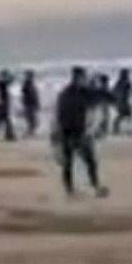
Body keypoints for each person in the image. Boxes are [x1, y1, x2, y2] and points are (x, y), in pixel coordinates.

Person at [53, 66, 111, 197]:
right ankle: (87, 188)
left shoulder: (67, 93)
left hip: (71, 133)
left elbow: (102, 96)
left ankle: (76, 189)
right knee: (82, 162)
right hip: (73, 133)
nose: (83, 80)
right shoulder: (77, 94)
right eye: (83, 78)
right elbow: (101, 97)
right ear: (78, 78)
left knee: (76, 163)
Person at [111, 68, 132, 135]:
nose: (128, 75)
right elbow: (131, 90)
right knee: (128, 114)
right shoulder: (127, 82)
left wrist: (112, 99)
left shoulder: (119, 82)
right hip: (123, 102)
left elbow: (113, 90)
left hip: (119, 102)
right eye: (127, 74)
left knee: (123, 114)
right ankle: (117, 127)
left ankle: (116, 127)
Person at [20, 69, 41, 137]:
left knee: (32, 120)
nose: (32, 77)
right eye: (31, 75)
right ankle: (29, 133)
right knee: (32, 120)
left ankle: (30, 133)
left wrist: (36, 103)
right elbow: (32, 95)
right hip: (29, 104)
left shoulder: (28, 84)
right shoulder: (28, 84)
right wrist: (36, 103)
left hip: (29, 104)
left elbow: (31, 95)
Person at [93, 73, 112, 139]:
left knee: (102, 120)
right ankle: (100, 134)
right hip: (103, 107)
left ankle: (99, 134)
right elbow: (110, 97)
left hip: (100, 106)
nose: (107, 82)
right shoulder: (104, 88)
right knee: (104, 120)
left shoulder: (101, 88)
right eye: (107, 81)